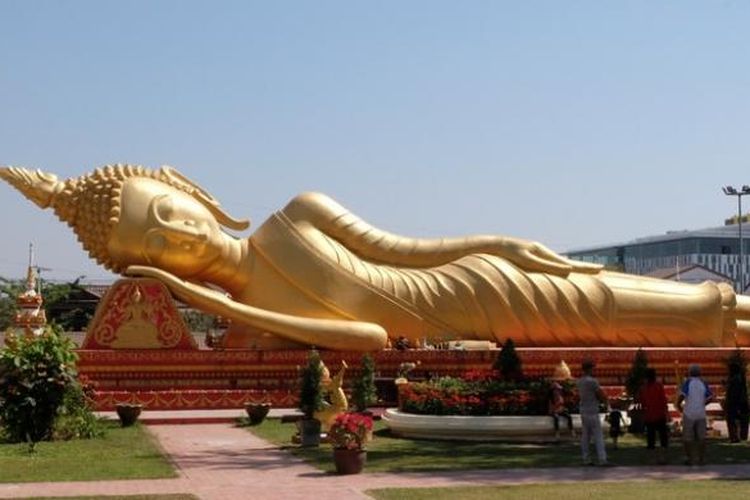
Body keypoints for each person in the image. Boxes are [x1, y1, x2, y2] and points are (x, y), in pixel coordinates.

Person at [4, 164, 750, 351]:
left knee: (645, 298)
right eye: (157, 249)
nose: (180, 237)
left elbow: (406, 249)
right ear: (152, 271)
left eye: (170, 214)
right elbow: (368, 339)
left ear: (191, 192)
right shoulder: (257, 320)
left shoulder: (296, 213)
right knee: (679, 318)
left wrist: (498, 243)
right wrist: (211, 300)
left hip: (472, 280)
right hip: (468, 320)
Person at [677, 364, 713, 465]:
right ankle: (701, 459)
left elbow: (682, 396)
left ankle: (690, 458)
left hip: (689, 413)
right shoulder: (703, 383)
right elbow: (711, 397)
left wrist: (679, 406)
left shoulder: (688, 382)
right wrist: (703, 404)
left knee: (687, 438)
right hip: (701, 413)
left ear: (690, 373)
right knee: (702, 437)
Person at [577, 359, 611, 466]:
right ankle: (602, 459)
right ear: (589, 369)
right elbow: (601, 395)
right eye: (592, 368)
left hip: (583, 410)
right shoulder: (592, 381)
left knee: (585, 436)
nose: (594, 370)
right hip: (592, 410)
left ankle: (586, 459)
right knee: (598, 435)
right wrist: (606, 403)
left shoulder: (580, 381)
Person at [639, 368, 670, 464]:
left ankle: (652, 459)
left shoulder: (643, 388)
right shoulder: (659, 386)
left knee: (650, 438)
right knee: (663, 437)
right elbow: (664, 400)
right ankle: (662, 458)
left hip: (649, 415)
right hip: (660, 414)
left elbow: (642, 403)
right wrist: (667, 413)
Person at [724, 361, 749, 443]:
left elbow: (734, 392)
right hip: (742, 402)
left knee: (732, 420)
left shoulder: (735, 379)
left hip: (735, 402)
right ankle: (742, 436)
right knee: (742, 420)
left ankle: (734, 437)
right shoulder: (740, 378)